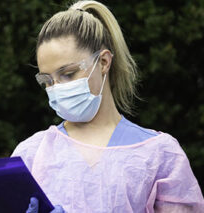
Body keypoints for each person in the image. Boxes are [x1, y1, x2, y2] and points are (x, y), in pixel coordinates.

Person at [11, 1, 204, 212]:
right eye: (47, 80)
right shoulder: (31, 155)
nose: (56, 88)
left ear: (103, 62)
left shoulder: (160, 154)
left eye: (68, 74)